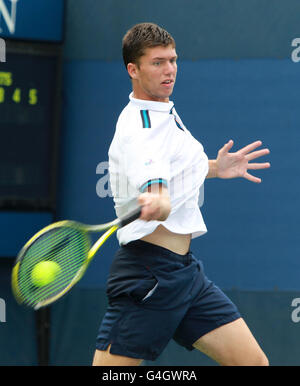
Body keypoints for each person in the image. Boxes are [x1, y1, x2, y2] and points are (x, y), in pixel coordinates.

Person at [92, 22, 270, 366]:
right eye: (157, 62)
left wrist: (216, 167)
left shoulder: (162, 111)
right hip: (148, 277)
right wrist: (157, 200)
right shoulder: (141, 127)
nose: (169, 69)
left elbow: (170, 171)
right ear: (133, 69)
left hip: (185, 274)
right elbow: (156, 188)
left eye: (172, 59)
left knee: (253, 363)